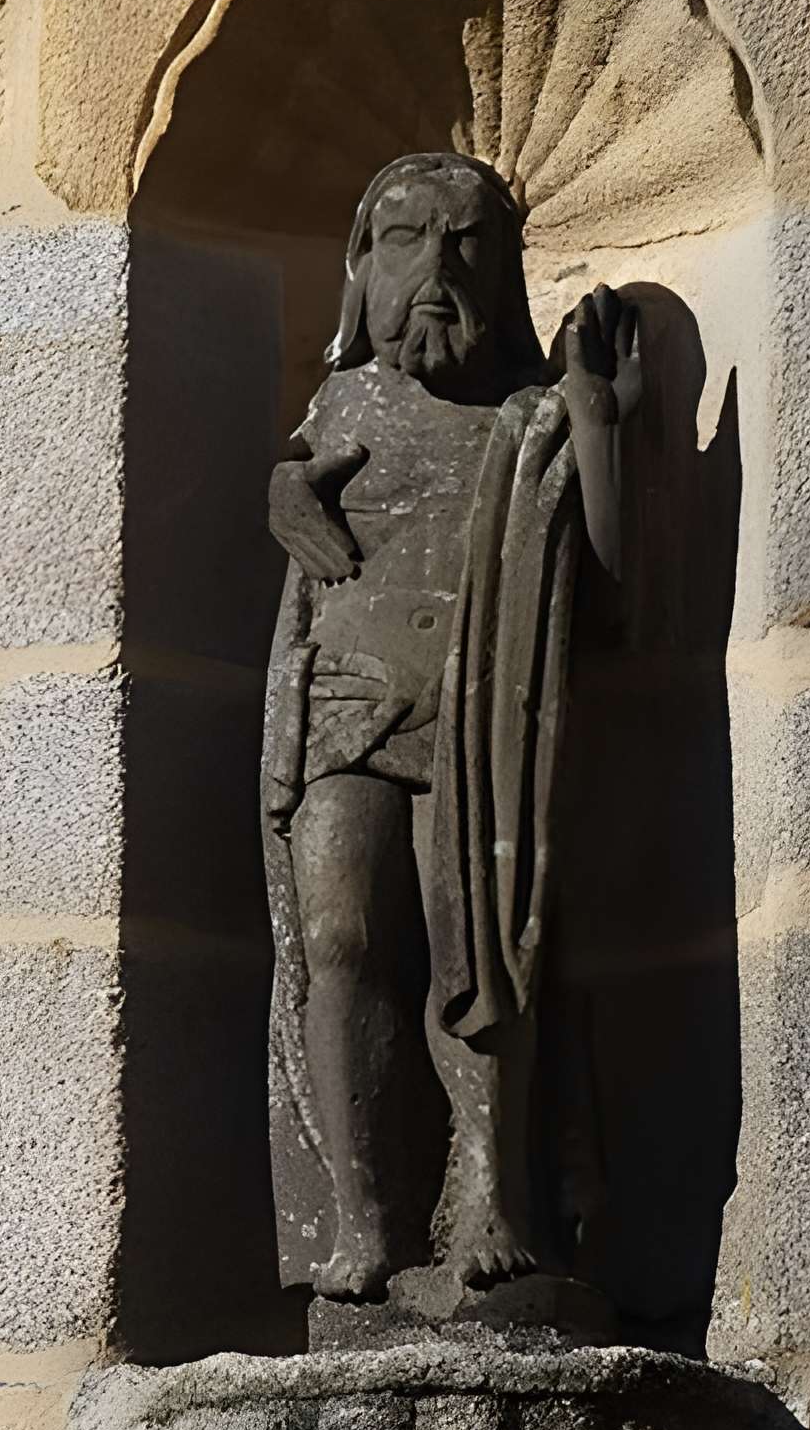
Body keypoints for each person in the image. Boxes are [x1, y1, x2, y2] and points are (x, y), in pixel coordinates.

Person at [261, 151, 641, 1301]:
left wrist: (597, 420)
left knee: (473, 938)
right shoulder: (338, 406)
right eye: (407, 239)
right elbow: (302, 537)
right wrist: (282, 500)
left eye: (466, 242)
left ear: (506, 273)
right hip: (348, 705)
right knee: (338, 936)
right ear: (362, 270)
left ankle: (487, 1192)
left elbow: (615, 596)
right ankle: (363, 1216)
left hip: (486, 719)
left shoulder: (527, 419)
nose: (436, 269)